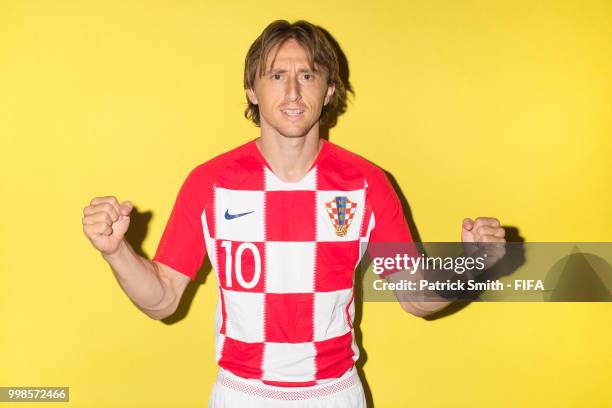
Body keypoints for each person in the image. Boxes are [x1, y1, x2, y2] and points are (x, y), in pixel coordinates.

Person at [82, 19, 506, 408]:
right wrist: (115, 252)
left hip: (335, 393)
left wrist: (472, 265)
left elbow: (415, 298)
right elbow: (162, 300)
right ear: (252, 89)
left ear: (329, 90)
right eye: (276, 75)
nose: (291, 92)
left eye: (307, 75)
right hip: (241, 394)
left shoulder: (367, 183)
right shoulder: (209, 183)